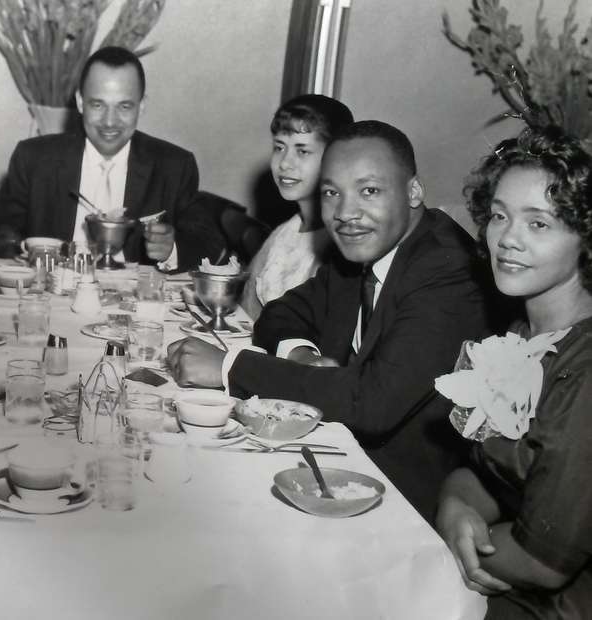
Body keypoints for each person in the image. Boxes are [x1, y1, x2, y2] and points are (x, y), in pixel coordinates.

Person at [167, 121, 492, 518]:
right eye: (331, 193)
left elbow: (372, 403)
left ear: (414, 191)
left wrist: (229, 366)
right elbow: (282, 313)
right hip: (331, 459)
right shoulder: (358, 249)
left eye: (369, 191)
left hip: (401, 499)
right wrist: (302, 355)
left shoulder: (449, 271)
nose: (346, 213)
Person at [436, 126, 592, 616]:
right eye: (499, 216)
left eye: (538, 224)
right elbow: (487, 469)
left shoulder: (585, 371)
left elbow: (546, 561)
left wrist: (453, 550)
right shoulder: (520, 334)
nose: (507, 239)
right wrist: (455, 504)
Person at [0, 46, 204, 269]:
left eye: (124, 106)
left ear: (141, 106)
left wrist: (171, 250)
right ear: (80, 102)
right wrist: (19, 252)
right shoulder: (33, 159)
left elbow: (205, 247)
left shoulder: (174, 166)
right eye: (97, 105)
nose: (109, 121)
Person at [240, 94, 354, 321]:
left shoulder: (343, 243)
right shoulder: (287, 231)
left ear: (336, 157)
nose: (284, 163)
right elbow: (246, 306)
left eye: (302, 151)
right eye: (279, 147)